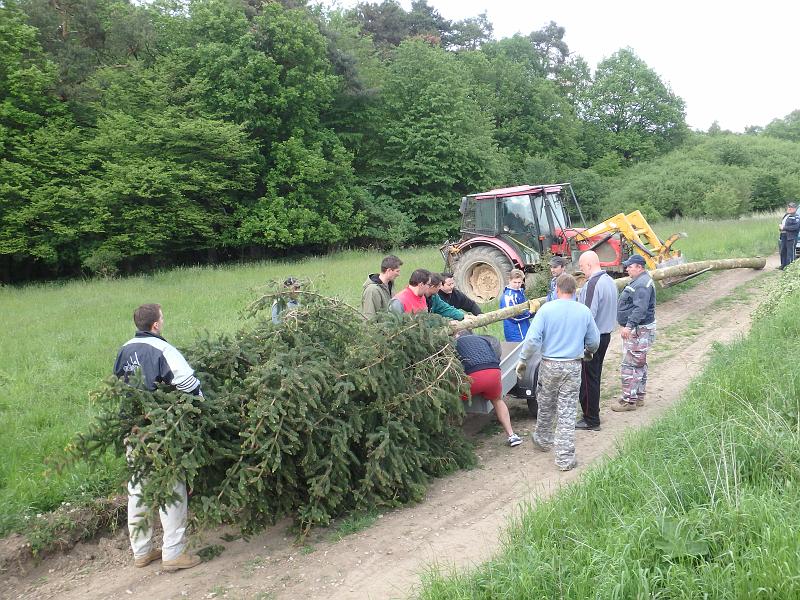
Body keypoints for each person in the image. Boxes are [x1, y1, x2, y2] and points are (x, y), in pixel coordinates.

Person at [113, 304, 203, 572]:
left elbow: (117, 384)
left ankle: (141, 552)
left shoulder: (124, 349)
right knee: (171, 487)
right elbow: (187, 381)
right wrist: (201, 402)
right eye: (162, 318)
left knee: (138, 489)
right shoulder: (164, 349)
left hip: (133, 428)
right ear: (155, 325)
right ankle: (173, 554)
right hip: (162, 430)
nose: (163, 322)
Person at [515, 274, 599, 471]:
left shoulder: (546, 310)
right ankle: (564, 458)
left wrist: (523, 360)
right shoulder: (584, 311)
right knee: (567, 411)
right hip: (572, 365)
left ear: (557, 290)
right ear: (574, 291)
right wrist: (588, 352)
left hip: (549, 365)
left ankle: (543, 439)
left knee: (545, 403)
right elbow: (594, 342)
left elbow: (533, 339)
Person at [575, 251, 619, 431]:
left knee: (587, 379)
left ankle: (591, 419)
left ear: (589, 265)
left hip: (593, 338)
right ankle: (593, 410)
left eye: (581, 267)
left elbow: (587, 314)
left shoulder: (593, 283)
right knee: (594, 377)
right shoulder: (609, 281)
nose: (581, 270)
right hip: (606, 334)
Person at [455, 331, 522, 447]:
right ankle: (512, 435)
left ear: (458, 336)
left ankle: (453, 439)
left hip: (473, 378)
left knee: (452, 400)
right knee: (497, 400)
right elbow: (496, 355)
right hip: (494, 372)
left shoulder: (454, 343)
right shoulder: (483, 339)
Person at [611, 254, 656, 412]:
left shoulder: (642, 284)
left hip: (638, 330)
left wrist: (629, 326)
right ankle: (638, 397)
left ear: (639, 267)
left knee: (630, 365)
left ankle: (628, 401)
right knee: (639, 363)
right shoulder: (641, 280)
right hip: (641, 329)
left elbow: (640, 308)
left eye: (630, 266)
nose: (627, 268)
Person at [499, 269, 531, 342]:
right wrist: (530, 313)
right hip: (515, 333)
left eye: (519, 282)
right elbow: (513, 318)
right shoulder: (508, 297)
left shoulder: (520, 292)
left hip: (524, 329)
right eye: (514, 282)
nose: (517, 285)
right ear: (509, 280)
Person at [778, 201, 800, 270]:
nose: (789, 208)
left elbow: (795, 227)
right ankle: (783, 266)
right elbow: (782, 223)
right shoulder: (786, 215)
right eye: (789, 207)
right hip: (784, 236)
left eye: (791, 207)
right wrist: (780, 227)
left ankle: (790, 268)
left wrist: (784, 228)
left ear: (795, 209)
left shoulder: (796, 216)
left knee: (790, 253)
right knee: (783, 251)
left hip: (791, 237)